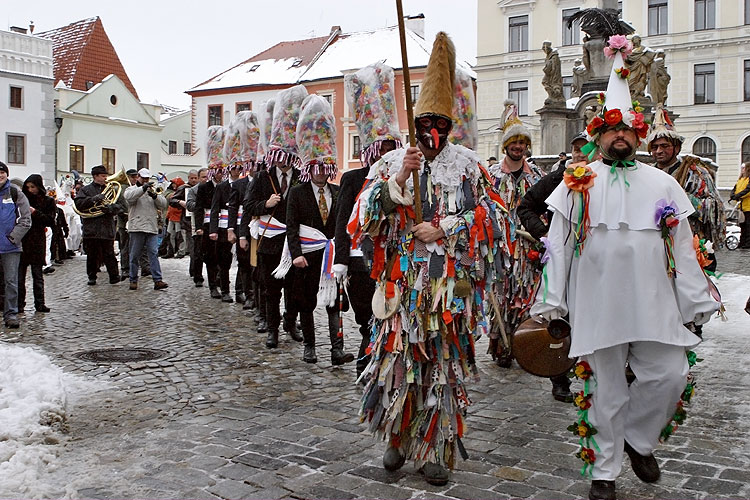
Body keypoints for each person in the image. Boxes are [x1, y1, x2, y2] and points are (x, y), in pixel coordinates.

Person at [530, 38, 719, 500]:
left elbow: (682, 246)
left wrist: (695, 298)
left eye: (627, 131)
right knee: (604, 390)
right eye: (611, 130)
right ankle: (604, 474)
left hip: (654, 303)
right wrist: (552, 304)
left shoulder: (662, 182)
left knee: (670, 375)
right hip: (597, 305)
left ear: (638, 137)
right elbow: (556, 246)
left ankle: (638, 439)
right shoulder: (577, 183)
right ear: (597, 136)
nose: (620, 137)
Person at [355, 32, 506, 486]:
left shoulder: (467, 164)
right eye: (426, 123)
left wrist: (446, 227)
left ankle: (435, 446)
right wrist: (399, 179)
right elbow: (364, 216)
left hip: (448, 289)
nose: (433, 132)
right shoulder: (392, 163)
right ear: (416, 123)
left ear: (451, 122)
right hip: (401, 290)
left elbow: (494, 217)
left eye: (441, 122)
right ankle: (398, 438)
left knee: (440, 368)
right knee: (398, 360)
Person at [335, 62, 402, 378]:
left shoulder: (403, 179)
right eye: (381, 149)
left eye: (391, 148)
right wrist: (340, 260)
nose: (386, 155)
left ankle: (376, 356)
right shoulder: (352, 178)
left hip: (392, 258)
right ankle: (367, 345)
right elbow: (342, 222)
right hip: (360, 258)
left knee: (389, 309)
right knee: (365, 313)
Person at [517, 132, 591, 403]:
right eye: (575, 149)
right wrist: (545, 235)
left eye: (585, 149)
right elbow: (525, 207)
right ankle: (559, 376)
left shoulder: (603, 181)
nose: (580, 154)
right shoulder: (554, 180)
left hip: (592, 260)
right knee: (559, 317)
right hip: (562, 259)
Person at [246, 85, 308, 348]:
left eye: (288, 158)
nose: (284, 162)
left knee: (295, 291)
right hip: (270, 242)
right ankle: (272, 329)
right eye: (280, 158)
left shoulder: (301, 176)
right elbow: (249, 205)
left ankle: (290, 323)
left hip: (293, 243)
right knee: (272, 290)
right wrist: (265, 203)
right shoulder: (263, 177)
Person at [487, 100, 545, 369]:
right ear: (506, 145)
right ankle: (501, 345)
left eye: (522, 142)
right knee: (502, 294)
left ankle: (523, 345)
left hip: (528, 247)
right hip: (501, 246)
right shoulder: (492, 176)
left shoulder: (537, 176)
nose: (518, 146)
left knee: (526, 296)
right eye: (514, 142)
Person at [647, 106, 725, 270]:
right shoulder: (648, 174)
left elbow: (715, 208)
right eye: (654, 147)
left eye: (664, 146)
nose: (659, 151)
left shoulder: (696, 172)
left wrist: (683, 199)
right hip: (658, 246)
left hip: (692, 245)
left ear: (676, 147)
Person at [74, 165, 122, 286]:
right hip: (91, 228)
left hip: (106, 227)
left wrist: (111, 208)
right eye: (103, 176)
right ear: (95, 176)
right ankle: (91, 276)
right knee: (92, 255)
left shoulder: (111, 189)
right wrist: (94, 199)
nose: (106, 178)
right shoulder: (85, 190)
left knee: (109, 254)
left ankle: (114, 276)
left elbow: (120, 206)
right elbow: (79, 204)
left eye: (106, 175)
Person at [124, 168, 168, 290]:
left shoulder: (152, 190)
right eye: (143, 178)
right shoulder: (131, 189)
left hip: (151, 226)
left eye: (147, 179)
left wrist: (155, 196)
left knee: (153, 254)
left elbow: (164, 204)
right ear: (138, 177)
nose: (145, 180)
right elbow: (129, 198)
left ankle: (158, 280)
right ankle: (133, 279)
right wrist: (143, 189)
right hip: (137, 227)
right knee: (134, 255)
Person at [0, 162, 31, 328]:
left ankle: (11, 314)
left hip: (10, 247)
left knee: (11, 282)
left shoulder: (15, 193)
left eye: (2, 173)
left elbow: (25, 219)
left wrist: (13, 238)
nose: (0, 176)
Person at [18, 175, 55, 313]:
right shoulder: (22, 200)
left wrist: (35, 212)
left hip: (37, 239)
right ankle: (19, 303)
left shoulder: (48, 201)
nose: (30, 190)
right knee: (20, 275)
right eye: (28, 187)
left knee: (37, 275)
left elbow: (50, 220)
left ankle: (40, 303)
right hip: (23, 239)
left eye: (33, 187)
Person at [209, 164, 242, 303]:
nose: (236, 171)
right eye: (234, 168)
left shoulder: (243, 184)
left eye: (239, 168)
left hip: (240, 225)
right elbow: (214, 208)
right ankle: (225, 290)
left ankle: (241, 291)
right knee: (224, 261)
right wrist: (213, 229)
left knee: (243, 260)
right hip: (223, 226)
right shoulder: (221, 187)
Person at [186, 168, 208, 286]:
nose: (206, 179)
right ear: (199, 178)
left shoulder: (214, 188)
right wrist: (200, 204)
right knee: (198, 253)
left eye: (207, 176)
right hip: (198, 223)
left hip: (211, 223)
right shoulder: (193, 190)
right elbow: (189, 205)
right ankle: (198, 277)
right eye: (203, 177)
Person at [166, 177, 187, 259]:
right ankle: (171, 250)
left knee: (180, 236)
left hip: (178, 217)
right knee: (170, 235)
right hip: (172, 217)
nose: (173, 185)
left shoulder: (181, 193)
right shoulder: (175, 193)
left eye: (174, 183)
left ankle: (181, 251)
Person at [730, 162, 750, 248]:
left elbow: (748, 190)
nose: (742, 169)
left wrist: (738, 196)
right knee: (742, 225)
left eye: (744, 168)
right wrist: (732, 195)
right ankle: (742, 242)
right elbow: (735, 188)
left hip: (748, 206)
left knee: (748, 226)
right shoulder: (741, 179)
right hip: (741, 207)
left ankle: (748, 243)